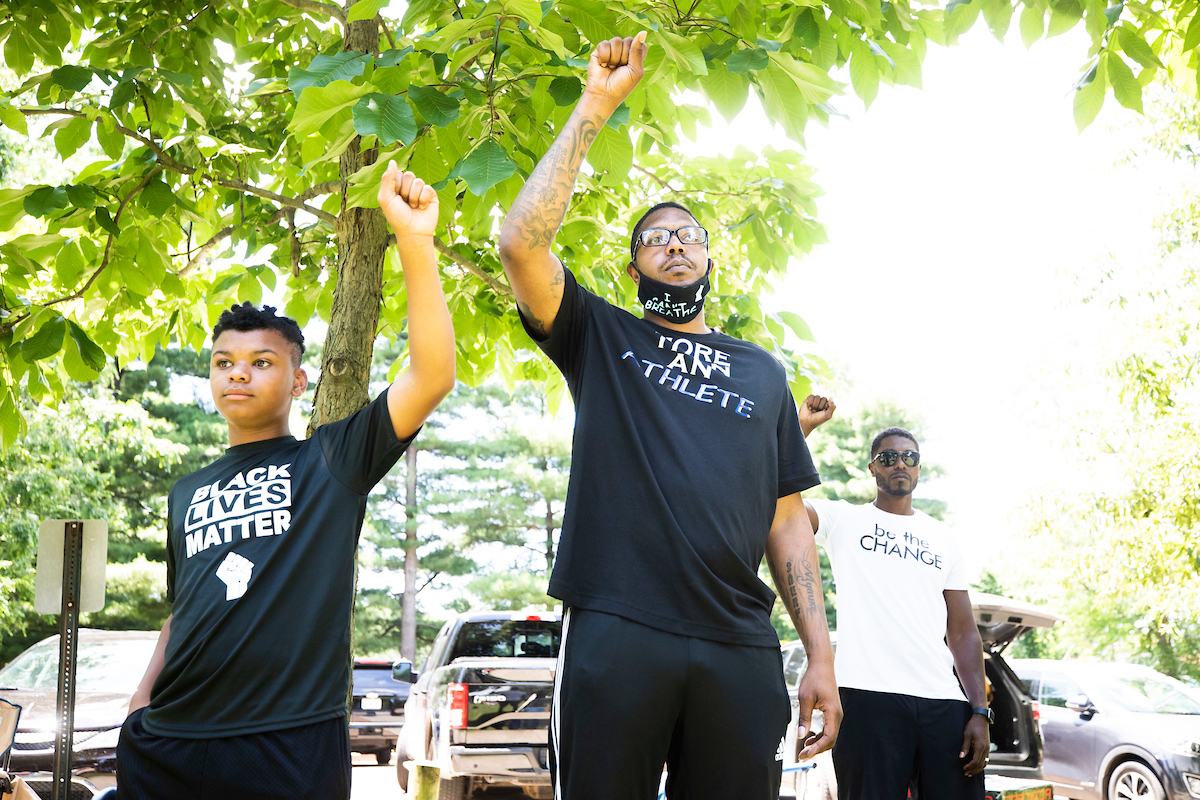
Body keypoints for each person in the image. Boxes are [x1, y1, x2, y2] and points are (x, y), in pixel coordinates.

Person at [497, 31, 841, 800]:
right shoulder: (601, 336)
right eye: (655, 239)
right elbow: (521, 243)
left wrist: (820, 655)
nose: (674, 245)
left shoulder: (763, 371)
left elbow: (786, 519)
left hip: (739, 642)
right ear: (633, 269)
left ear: (710, 260)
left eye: (689, 235)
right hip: (619, 630)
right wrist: (596, 103)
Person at [115, 165, 454, 800]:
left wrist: (413, 239)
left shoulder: (331, 460)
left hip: (289, 742)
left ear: (299, 381)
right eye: (224, 362)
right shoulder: (186, 492)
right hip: (169, 743)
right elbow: (181, 612)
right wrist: (139, 709)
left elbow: (431, 375)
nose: (238, 373)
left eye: (261, 361)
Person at [801, 404, 990, 800]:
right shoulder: (843, 519)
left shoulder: (944, 537)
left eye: (910, 457)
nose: (900, 464)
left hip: (944, 702)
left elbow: (963, 632)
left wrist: (978, 711)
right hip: (868, 698)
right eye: (888, 458)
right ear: (873, 469)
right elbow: (780, 504)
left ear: (919, 468)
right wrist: (801, 431)